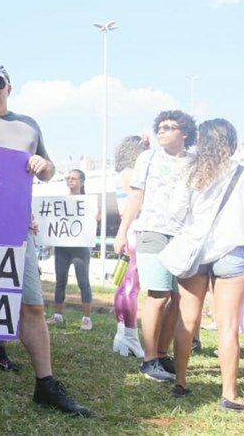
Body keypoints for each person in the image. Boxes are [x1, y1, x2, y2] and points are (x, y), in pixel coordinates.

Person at [0, 65, 90, 416]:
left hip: (17, 226)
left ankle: (46, 384)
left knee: (33, 304)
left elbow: (51, 169)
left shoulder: (29, 125)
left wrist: (44, 166)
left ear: (9, 87)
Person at [169, 119, 244, 412]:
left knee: (187, 320)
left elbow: (176, 212)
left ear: (201, 141)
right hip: (232, 252)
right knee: (228, 326)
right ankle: (230, 395)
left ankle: (180, 383)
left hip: (195, 253)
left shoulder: (191, 172)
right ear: (231, 141)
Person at [114, 111, 196, 382]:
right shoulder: (147, 157)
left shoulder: (195, 162)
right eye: (159, 127)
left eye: (169, 127)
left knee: (178, 298)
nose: (162, 131)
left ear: (184, 133)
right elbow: (136, 196)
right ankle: (149, 361)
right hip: (152, 231)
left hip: (184, 236)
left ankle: (162, 354)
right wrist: (122, 231)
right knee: (158, 295)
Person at [111, 135, 149, 357]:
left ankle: (123, 334)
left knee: (125, 285)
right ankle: (131, 336)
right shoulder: (132, 174)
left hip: (128, 230)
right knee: (131, 287)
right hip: (135, 229)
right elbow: (138, 203)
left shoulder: (121, 174)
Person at [46, 169, 94, 330]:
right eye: (68, 178)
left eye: (74, 178)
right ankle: (58, 316)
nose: (70, 180)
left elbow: (94, 220)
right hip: (62, 248)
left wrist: (96, 216)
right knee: (60, 282)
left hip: (80, 248)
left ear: (82, 181)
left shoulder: (88, 202)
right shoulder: (61, 202)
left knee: (83, 283)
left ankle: (87, 318)